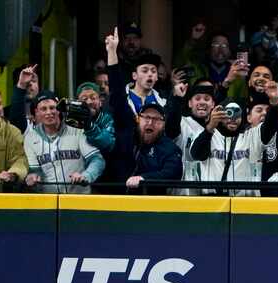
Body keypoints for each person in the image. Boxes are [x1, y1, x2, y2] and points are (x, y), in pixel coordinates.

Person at [106, 27, 182, 191]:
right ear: (134, 75)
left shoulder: (163, 101)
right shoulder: (123, 99)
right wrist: (112, 52)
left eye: (153, 71)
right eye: (145, 70)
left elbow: (172, 131)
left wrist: (176, 99)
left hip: (152, 170)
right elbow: (116, 92)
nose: (150, 75)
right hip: (123, 167)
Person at [190, 81, 278, 190]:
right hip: (213, 201)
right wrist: (210, 127)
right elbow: (196, 154)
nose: (232, 119)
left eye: (237, 114)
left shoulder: (251, 136)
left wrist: (274, 103)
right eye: (228, 113)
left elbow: (270, 126)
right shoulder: (208, 135)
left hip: (244, 201)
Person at [23, 91, 105, 194]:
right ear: (36, 112)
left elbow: (97, 160)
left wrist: (86, 175)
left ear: (59, 110)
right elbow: (34, 170)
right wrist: (33, 176)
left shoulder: (77, 129)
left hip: (79, 199)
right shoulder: (30, 138)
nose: (49, 112)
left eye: (52, 108)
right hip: (49, 202)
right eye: (43, 109)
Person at [165, 79, 216, 186]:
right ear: (189, 103)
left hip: (210, 192)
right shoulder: (182, 122)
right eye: (197, 99)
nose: (202, 102)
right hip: (183, 190)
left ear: (213, 104)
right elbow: (171, 126)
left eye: (206, 99)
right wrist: (177, 98)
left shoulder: (218, 130)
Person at [76, 82, 116, 154]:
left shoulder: (107, 119)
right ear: (78, 103)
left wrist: (90, 127)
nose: (89, 102)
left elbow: (109, 144)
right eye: (84, 99)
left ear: (100, 102)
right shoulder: (73, 122)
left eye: (93, 98)